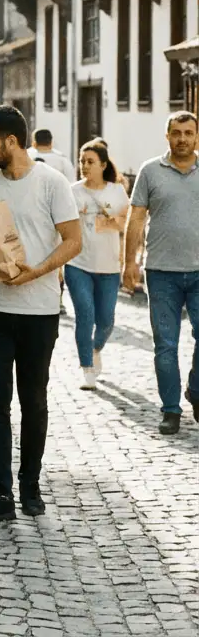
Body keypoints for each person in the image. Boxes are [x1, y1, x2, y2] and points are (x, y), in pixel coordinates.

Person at [0, 105, 81, 524]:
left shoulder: (52, 183)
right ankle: (0, 495)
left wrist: (39, 271)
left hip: (38, 310)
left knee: (34, 400)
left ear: (10, 141)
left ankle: (30, 484)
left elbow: (73, 240)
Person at [124, 112, 199, 436]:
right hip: (161, 272)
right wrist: (129, 262)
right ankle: (170, 410)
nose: (182, 138)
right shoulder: (150, 171)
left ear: (197, 136)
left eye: (188, 133)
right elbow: (137, 218)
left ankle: (195, 390)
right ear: (167, 136)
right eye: (176, 133)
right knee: (165, 345)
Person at [66, 140, 128, 391]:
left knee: (106, 320)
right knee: (85, 314)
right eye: (82, 161)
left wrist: (111, 217)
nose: (85, 166)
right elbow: (61, 226)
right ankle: (87, 368)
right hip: (77, 262)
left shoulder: (117, 191)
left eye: (90, 162)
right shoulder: (72, 191)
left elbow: (126, 224)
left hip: (108, 265)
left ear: (103, 165)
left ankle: (96, 348)